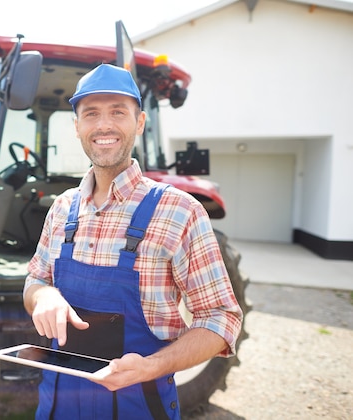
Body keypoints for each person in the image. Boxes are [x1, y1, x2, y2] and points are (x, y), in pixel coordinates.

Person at [23, 63, 243, 420]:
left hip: (137, 406)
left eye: (118, 112)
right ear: (76, 126)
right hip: (56, 407)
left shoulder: (179, 211)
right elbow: (35, 280)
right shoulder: (62, 209)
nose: (104, 124)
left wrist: (151, 366)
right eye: (91, 113)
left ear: (139, 122)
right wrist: (44, 296)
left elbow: (222, 319)